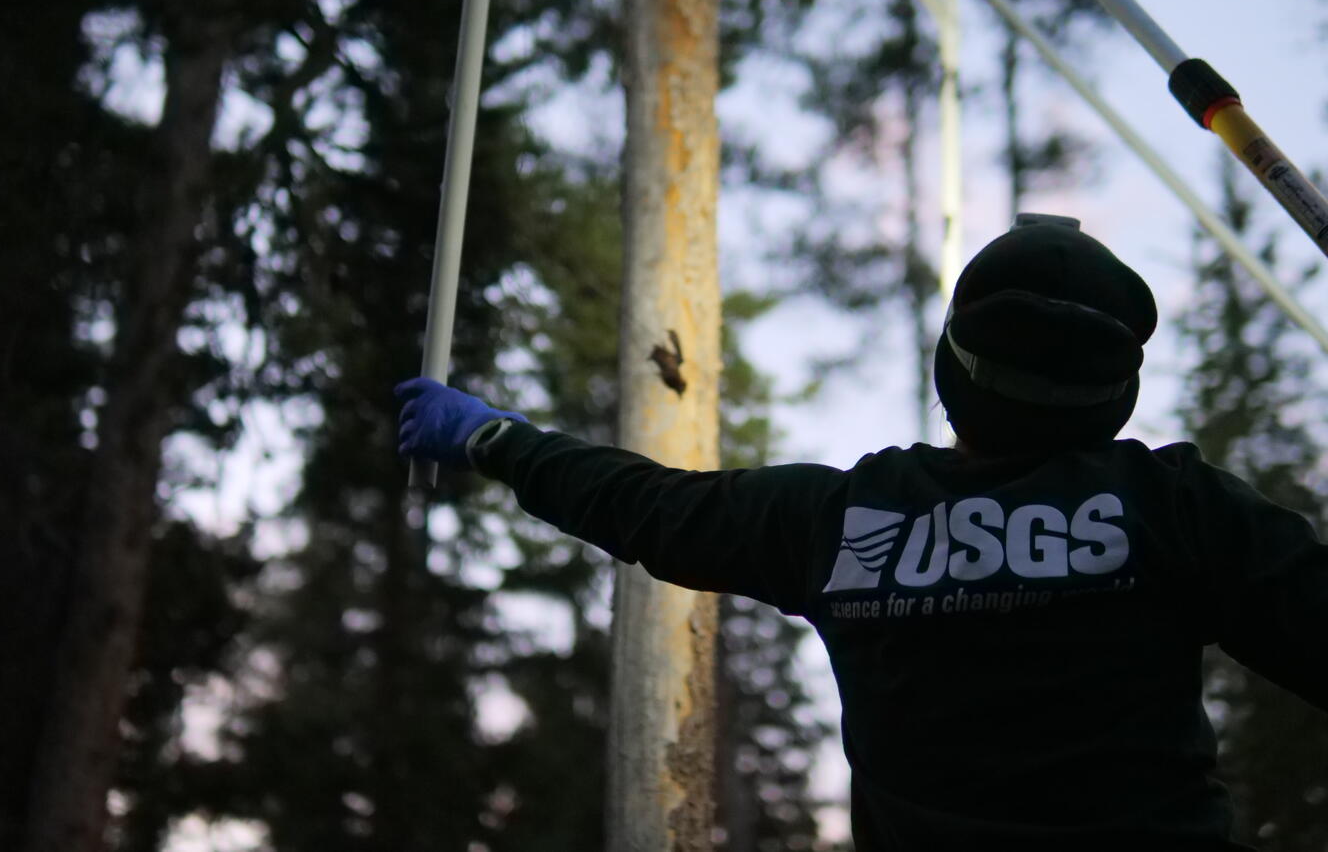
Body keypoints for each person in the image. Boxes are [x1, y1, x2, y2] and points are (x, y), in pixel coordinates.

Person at [396, 216, 1328, 852]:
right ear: (1115, 396)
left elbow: (649, 506)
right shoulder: (1178, 508)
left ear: (954, 376)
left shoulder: (848, 518)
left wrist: (495, 437)